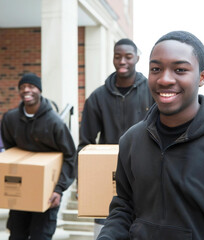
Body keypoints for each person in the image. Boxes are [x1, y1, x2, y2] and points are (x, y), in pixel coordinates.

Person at [96, 31, 204, 240]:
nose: (165, 79)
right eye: (156, 69)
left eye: (180, 70)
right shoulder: (131, 142)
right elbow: (123, 208)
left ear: (202, 77)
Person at [77, 38, 154, 239]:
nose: (122, 61)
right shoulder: (97, 97)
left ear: (137, 58)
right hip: (107, 178)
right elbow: (85, 143)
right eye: (117, 56)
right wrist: (83, 181)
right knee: (107, 232)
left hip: (145, 174)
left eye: (128, 56)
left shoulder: (151, 92)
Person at [0, 73, 76, 240]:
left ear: (39, 91)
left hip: (48, 191)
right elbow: (10, 150)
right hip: (21, 187)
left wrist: (59, 189)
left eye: (31, 87)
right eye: (22, 87)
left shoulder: (54, 122)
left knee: (40, 236)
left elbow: (71, 156)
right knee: (16, 235)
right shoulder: (10, 119)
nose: (26, 90)